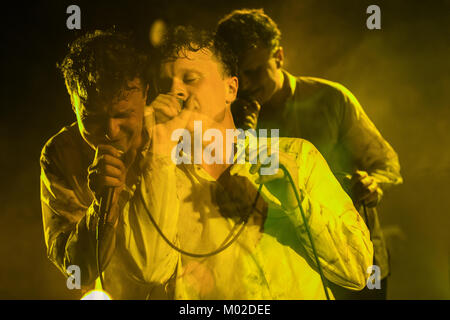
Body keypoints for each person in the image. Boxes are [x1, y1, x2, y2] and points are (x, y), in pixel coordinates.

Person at [40, 27, 372, 300]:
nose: (176, 91)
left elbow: (357, 271)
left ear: (231, 88)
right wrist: (155, 155)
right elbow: (146, 270)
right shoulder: (161, 178)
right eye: (168, 83)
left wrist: (296, 202)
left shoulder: (294, 157)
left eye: (191, 78)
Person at [216, 8, 403, 299]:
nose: (247, 84)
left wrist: (372, 183)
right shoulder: (231, 117)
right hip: (286, 273)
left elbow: (386, 164)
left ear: (279, 56)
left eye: (254, 71)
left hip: (352, 261)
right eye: (238, 75)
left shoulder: (331, 98)